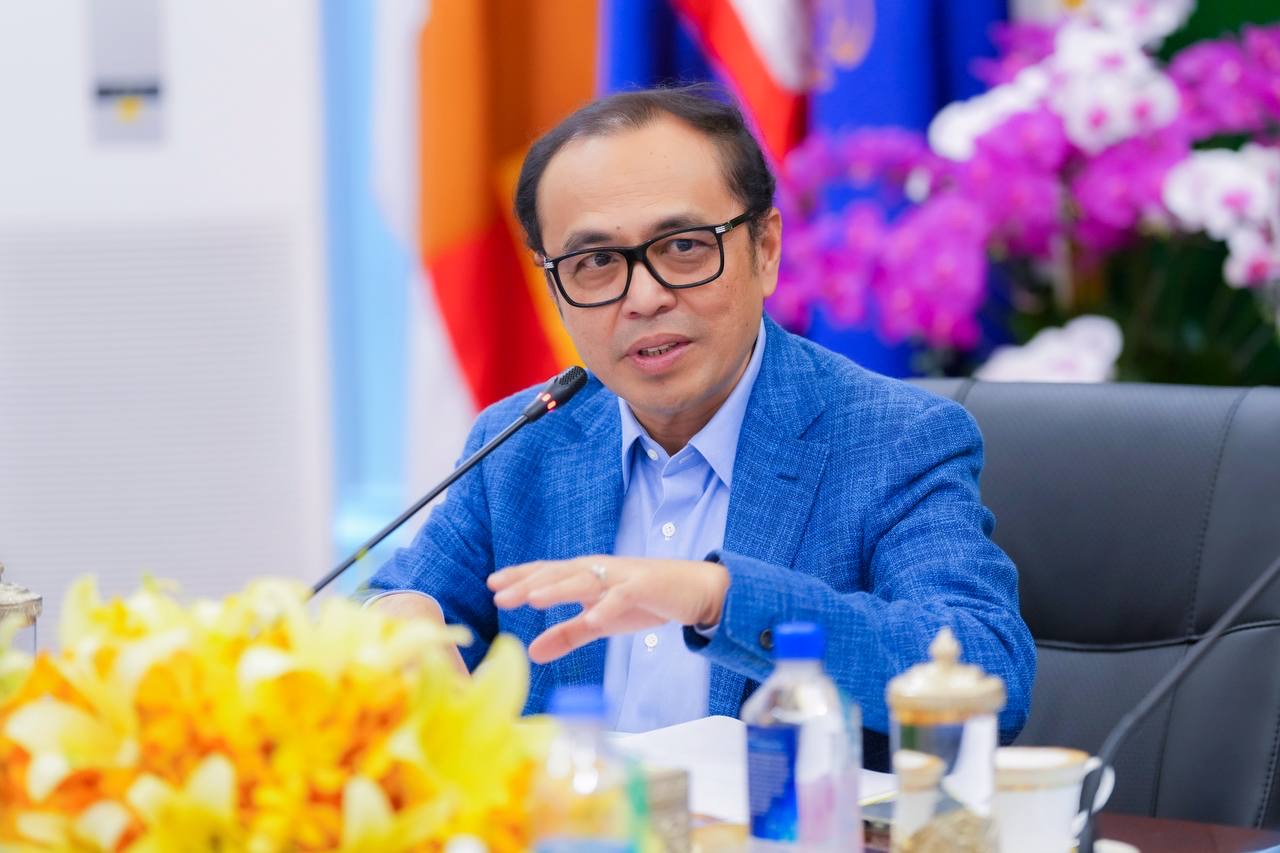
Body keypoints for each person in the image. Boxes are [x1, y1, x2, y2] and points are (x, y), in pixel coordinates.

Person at [365, 85, 1035, 768]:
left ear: (765, 249)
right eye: (595, 263)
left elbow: (988, 675)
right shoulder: (523, 441)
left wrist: (718, 599)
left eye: (683, 246)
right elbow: (395, 598)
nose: (644, 297)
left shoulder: (894, 439)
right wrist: (395, 615)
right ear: (555, 288)